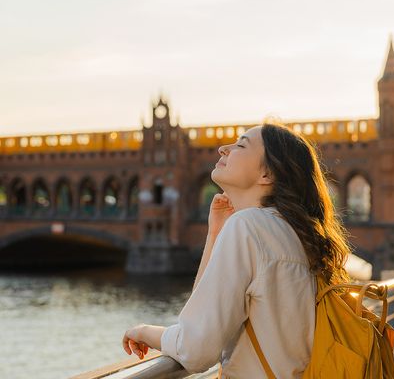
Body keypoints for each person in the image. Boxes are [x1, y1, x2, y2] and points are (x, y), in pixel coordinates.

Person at [122, 122, 351, 378]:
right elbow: (201, 312)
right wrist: (216, 233)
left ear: (267, 175)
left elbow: (195, 348)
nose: (223, 149)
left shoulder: (248, 227)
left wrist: (143, 331)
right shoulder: (294, 233)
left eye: (241, 145)